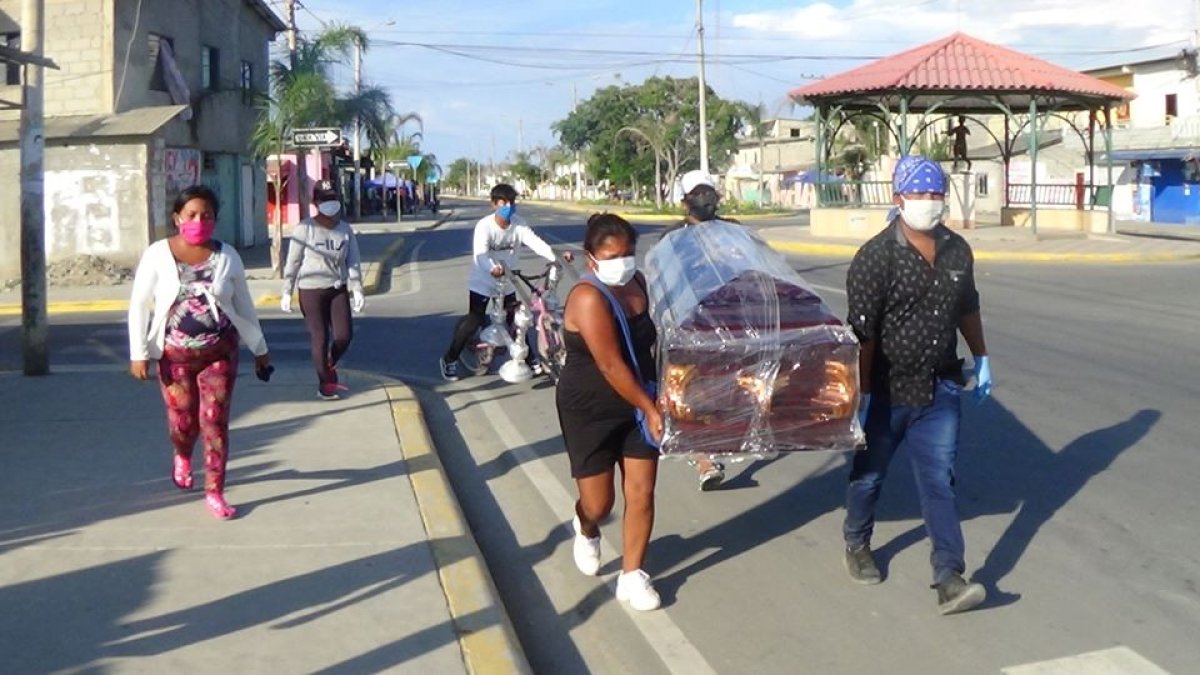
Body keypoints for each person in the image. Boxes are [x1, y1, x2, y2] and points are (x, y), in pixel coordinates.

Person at [842, 155, 994, 615]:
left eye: (936, 194)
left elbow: (967, 306)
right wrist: (863, 395)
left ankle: (949, 575)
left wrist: (982, 357)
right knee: (870, 476)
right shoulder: (875, 258)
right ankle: (856, 542)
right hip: (887, 391)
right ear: (899, 199)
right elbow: (863, 335)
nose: (930, 203)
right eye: (921, 194)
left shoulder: (957, 250)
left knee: (939, 482)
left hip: (939, 388)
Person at [128, 184, 271, 521]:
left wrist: (260, 349)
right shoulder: (157, 254)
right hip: (172, 357)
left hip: (219, 353)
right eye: (191, 214)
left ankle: (215, 491)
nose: (198, 220)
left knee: (214, 422)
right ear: (177, 218)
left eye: (205, 215)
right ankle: (181, 455)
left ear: (215, 220)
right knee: (183, 422)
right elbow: (139, 304)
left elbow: (243, 305)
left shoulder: (227, 256)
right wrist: (138, 352)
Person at [558, 213, 664, 611]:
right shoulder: (587, 297)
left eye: (629, 253)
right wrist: (649, 407)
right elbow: (610, 365)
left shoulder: (636, 284)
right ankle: (585, 528)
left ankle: (633, 575)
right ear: (591, 259)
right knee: (599, 505)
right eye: (613, 255)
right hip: (590, 409)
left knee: (641, 492)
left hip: (640, 404)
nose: (623, 261)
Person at [439, 183, 572, 381]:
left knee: (517, 318)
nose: (508, 207)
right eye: (503, 203)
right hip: (483, 280)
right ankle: (450, 359)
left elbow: (535, 242)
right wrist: (492, 268)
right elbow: (481, 254)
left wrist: (556, 256)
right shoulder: (484, 226)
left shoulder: (519, 224)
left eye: (511, 202)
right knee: (474, 319)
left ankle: (529, 359)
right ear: (494, 204)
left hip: (509, 279)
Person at [660, 169, 733, 490]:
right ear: (684, 201)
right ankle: (704, 458)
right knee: (693, 393)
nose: (705, 199)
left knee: (727, 391)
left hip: (730, 323)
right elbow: (663, 282)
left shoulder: (735, 233)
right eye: (698, 193)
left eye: (709, 192)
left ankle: (720, 443)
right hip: (690, 325)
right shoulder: (672, 239)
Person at [281, 179, 365, 400]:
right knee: (320, 337)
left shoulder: (345, 229)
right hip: (311, 291)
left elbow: (353, 261)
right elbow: (293, 262)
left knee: (344, 336)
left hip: (337, 288)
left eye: (334, 199)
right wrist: (287, 291)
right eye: (325, 200)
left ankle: (329, 362)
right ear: (316, 202)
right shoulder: (305, 228)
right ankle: (325, 384)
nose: (331, 204)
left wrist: (357, 289)